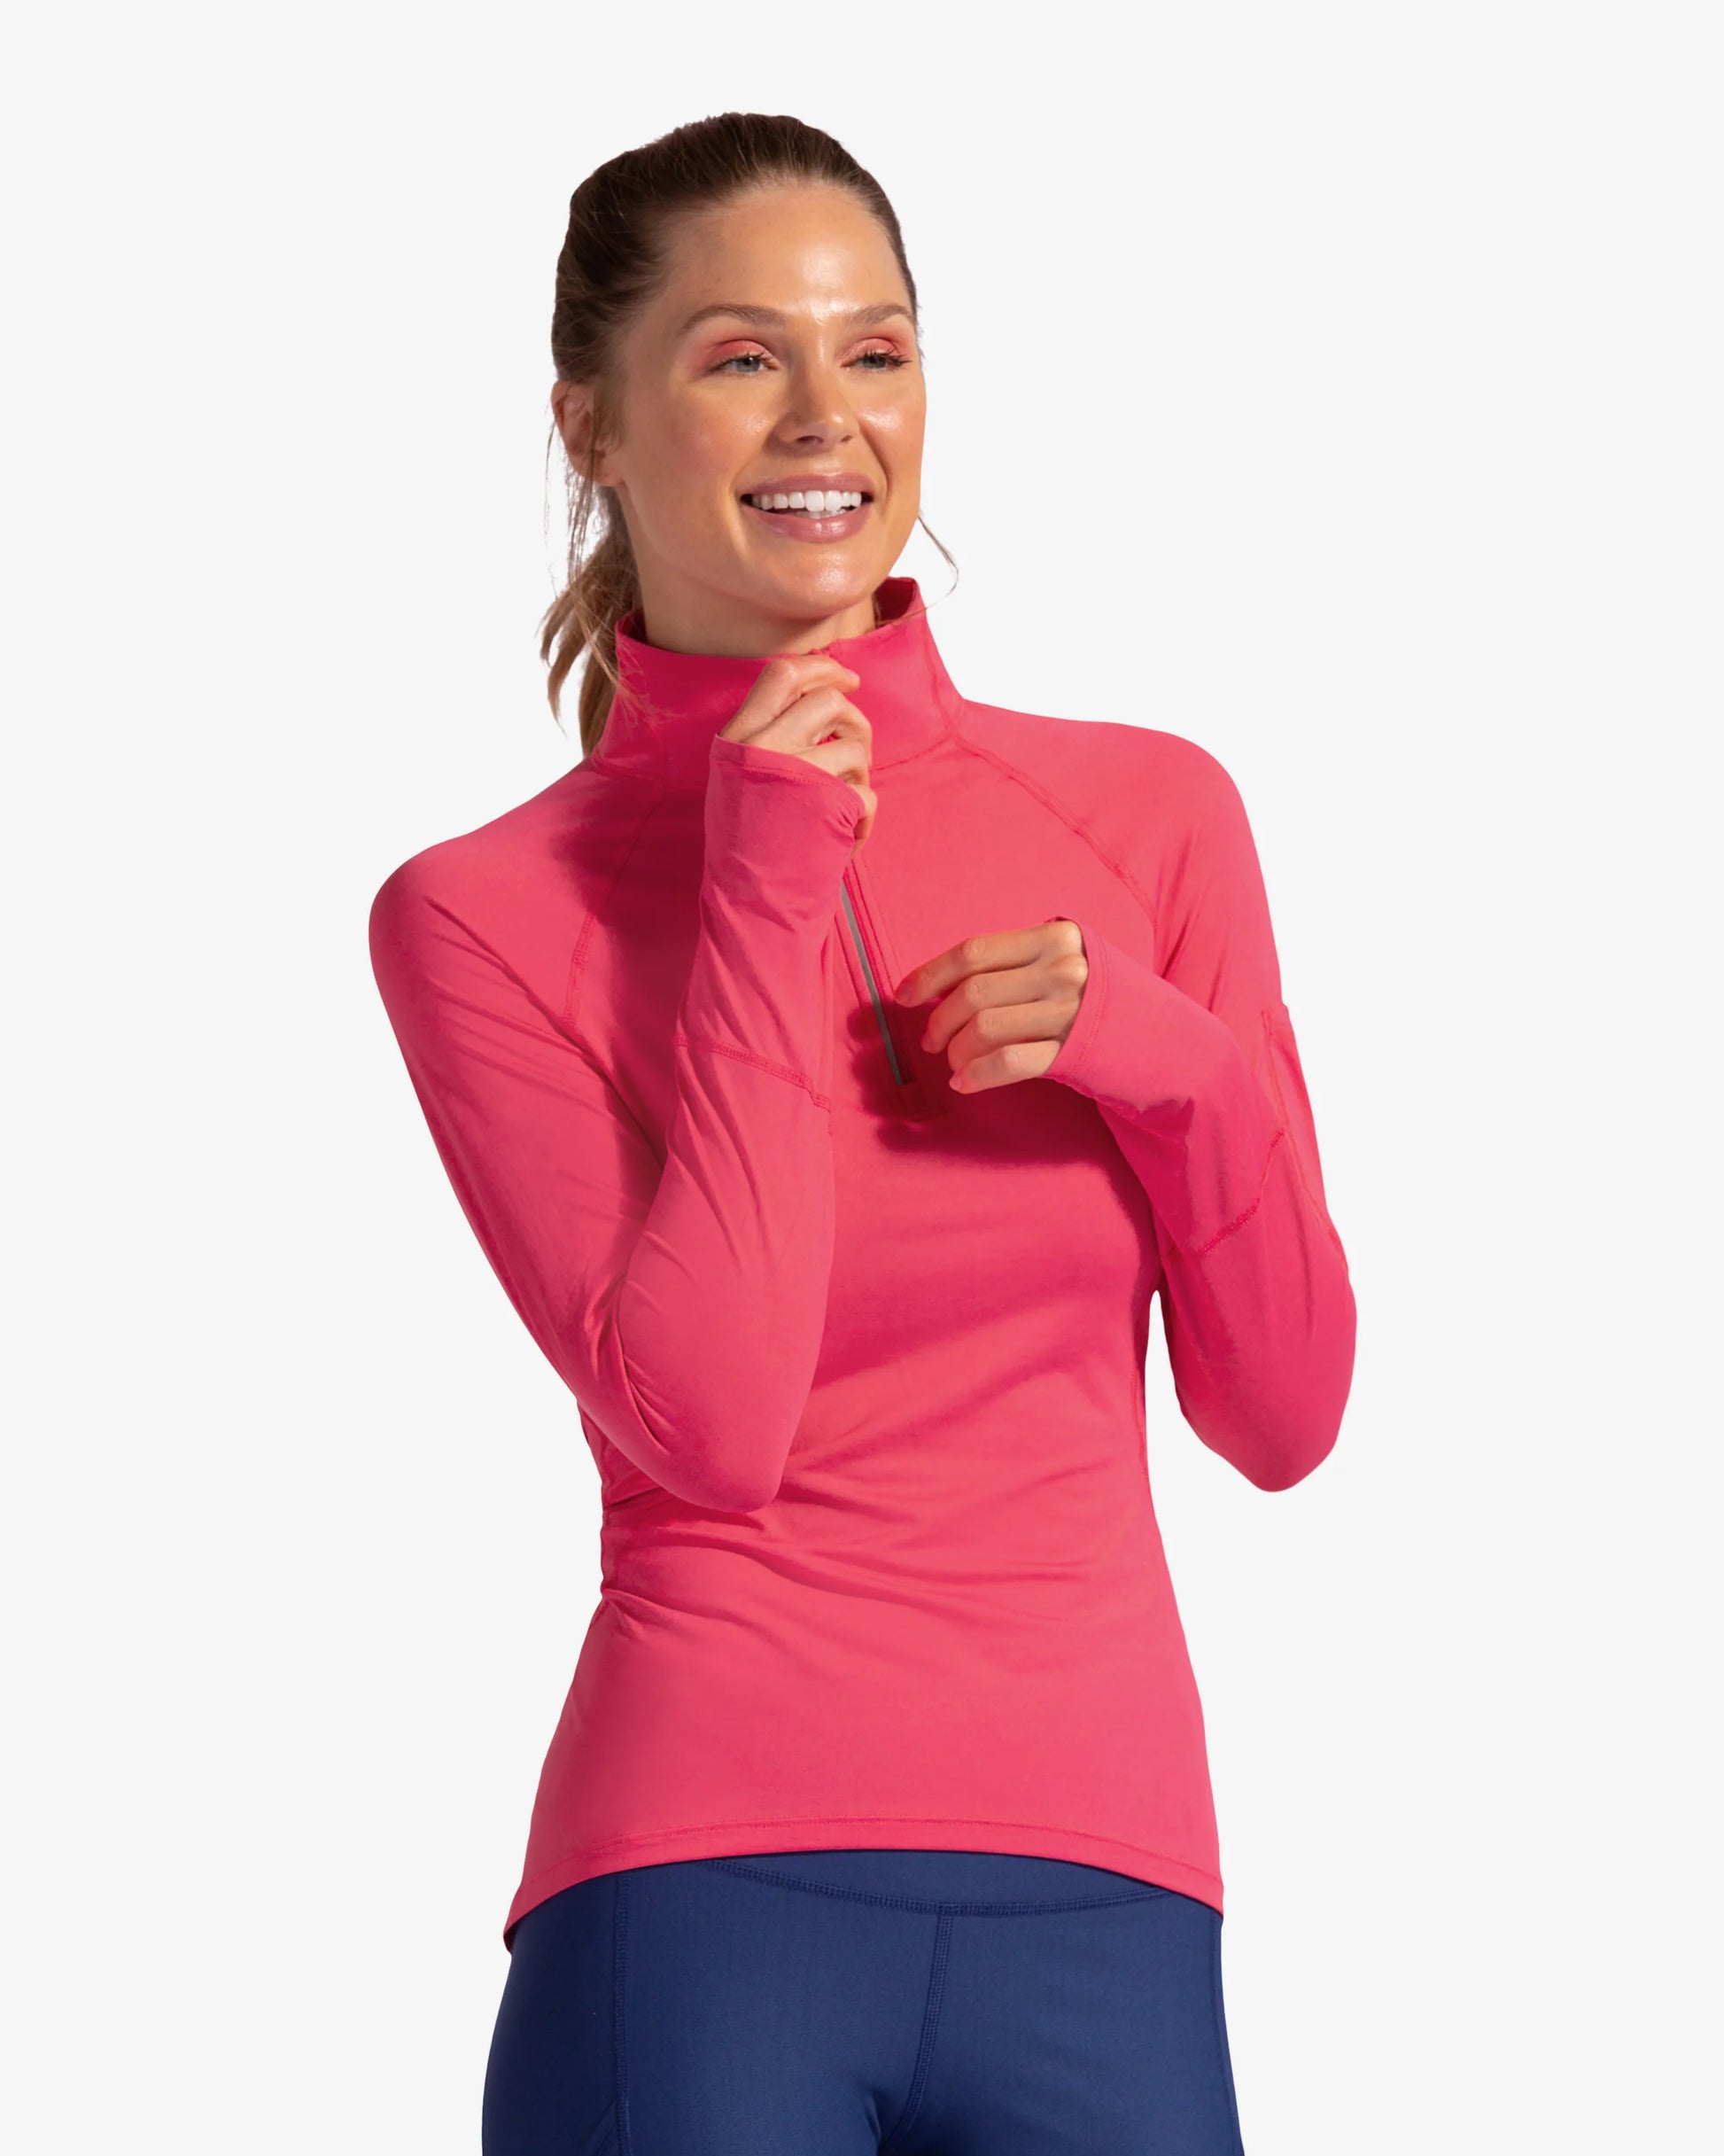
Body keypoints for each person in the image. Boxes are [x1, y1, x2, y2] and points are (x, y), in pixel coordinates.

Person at [368, 111, 1356, 2156]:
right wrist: (752, 885)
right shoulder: (485, 912)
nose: (825, 413)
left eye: (875, 350)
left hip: (1109, 1878)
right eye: (741, 355)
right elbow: (711, 1420)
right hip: (696, 1889)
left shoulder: (1150, 817)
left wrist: (1171, 1063)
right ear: (589, 422)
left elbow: (1282, 1411)